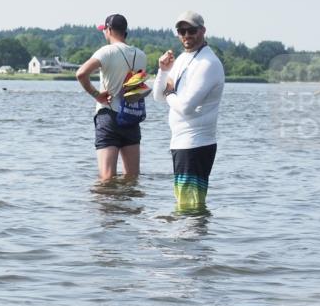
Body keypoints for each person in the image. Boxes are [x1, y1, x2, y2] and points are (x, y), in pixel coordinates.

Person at [152, 11, 225, 210]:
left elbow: (185, 107)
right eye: (181, 31)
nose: (186, 35)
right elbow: (158, 95)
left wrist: (169, 94)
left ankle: (192, 241)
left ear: (202, 31)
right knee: (184, 205)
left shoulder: (208, 63)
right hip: (181, 143)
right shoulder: (183, 59)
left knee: (190, 208)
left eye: (191, 30)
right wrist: (163, 70)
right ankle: (189, 241)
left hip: (196, 144)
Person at [76, 13, 148, 181]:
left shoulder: (106, 52)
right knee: (132, 178)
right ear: (125, 32)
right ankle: (128, 207)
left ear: (108, 30)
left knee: (106, 178)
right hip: (131, 116)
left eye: (104, 30)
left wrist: (97, 95)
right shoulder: (141, 55)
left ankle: (108, 207)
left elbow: (81, 73)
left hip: (108, 116)